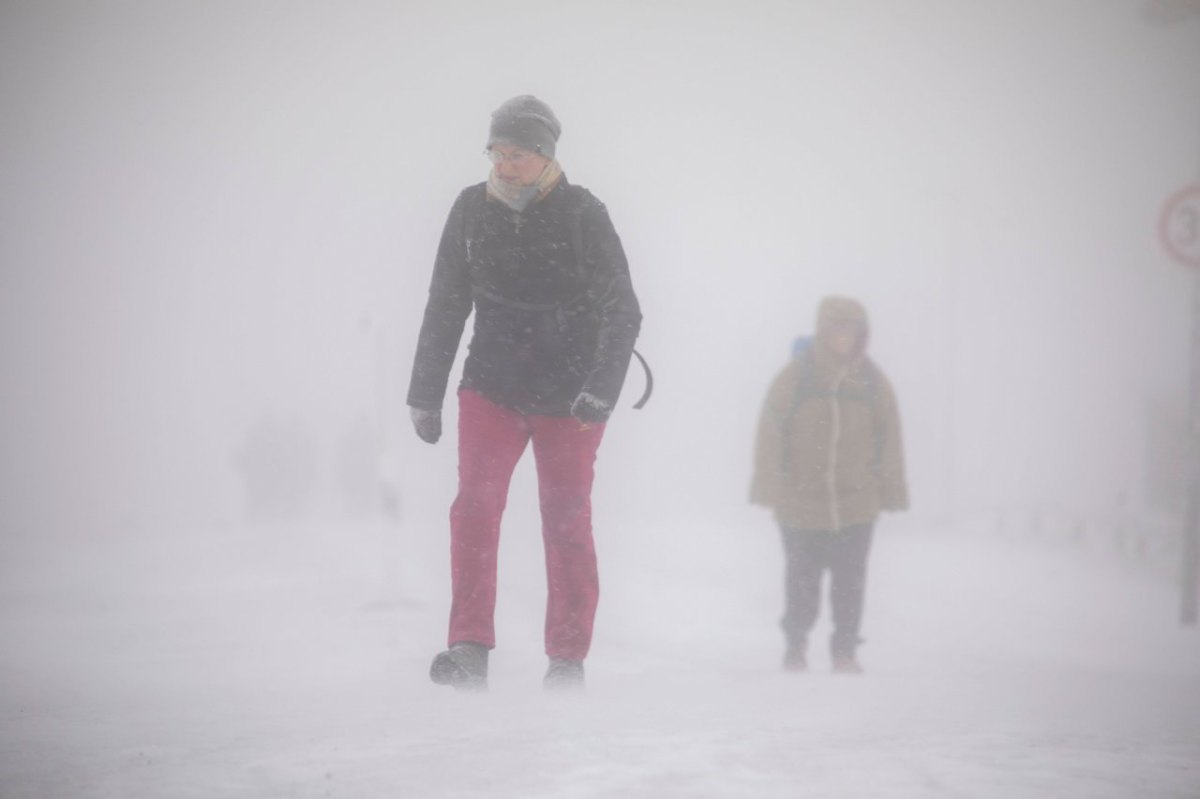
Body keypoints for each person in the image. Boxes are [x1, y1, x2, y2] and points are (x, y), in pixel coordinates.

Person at [406, 95, 642, 691]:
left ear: (544, 156)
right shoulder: (470, 209)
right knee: (475, 507)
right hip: (492, 385)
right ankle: (468, 649)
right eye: (496, 152)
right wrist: (425, 392)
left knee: (565, 519)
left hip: (570, 396)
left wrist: (602, 390)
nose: (503, 165)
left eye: (516, 154)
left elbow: (624, 309)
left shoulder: (582, 212)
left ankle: (566, 659)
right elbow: (446, 302)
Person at [749, 296, 907, 674]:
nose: (845, 338)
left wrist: (891, 489)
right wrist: (770, 487)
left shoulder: (872, 381)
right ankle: (796, 644)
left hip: (857, 504)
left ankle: (845, 650)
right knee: (802, 582)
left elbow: (890, 437)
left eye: (853, 330)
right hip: (800, 503)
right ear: (823, 331)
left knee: (850, 583)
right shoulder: (796, 378)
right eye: (838, 329)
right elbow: (771, 433)